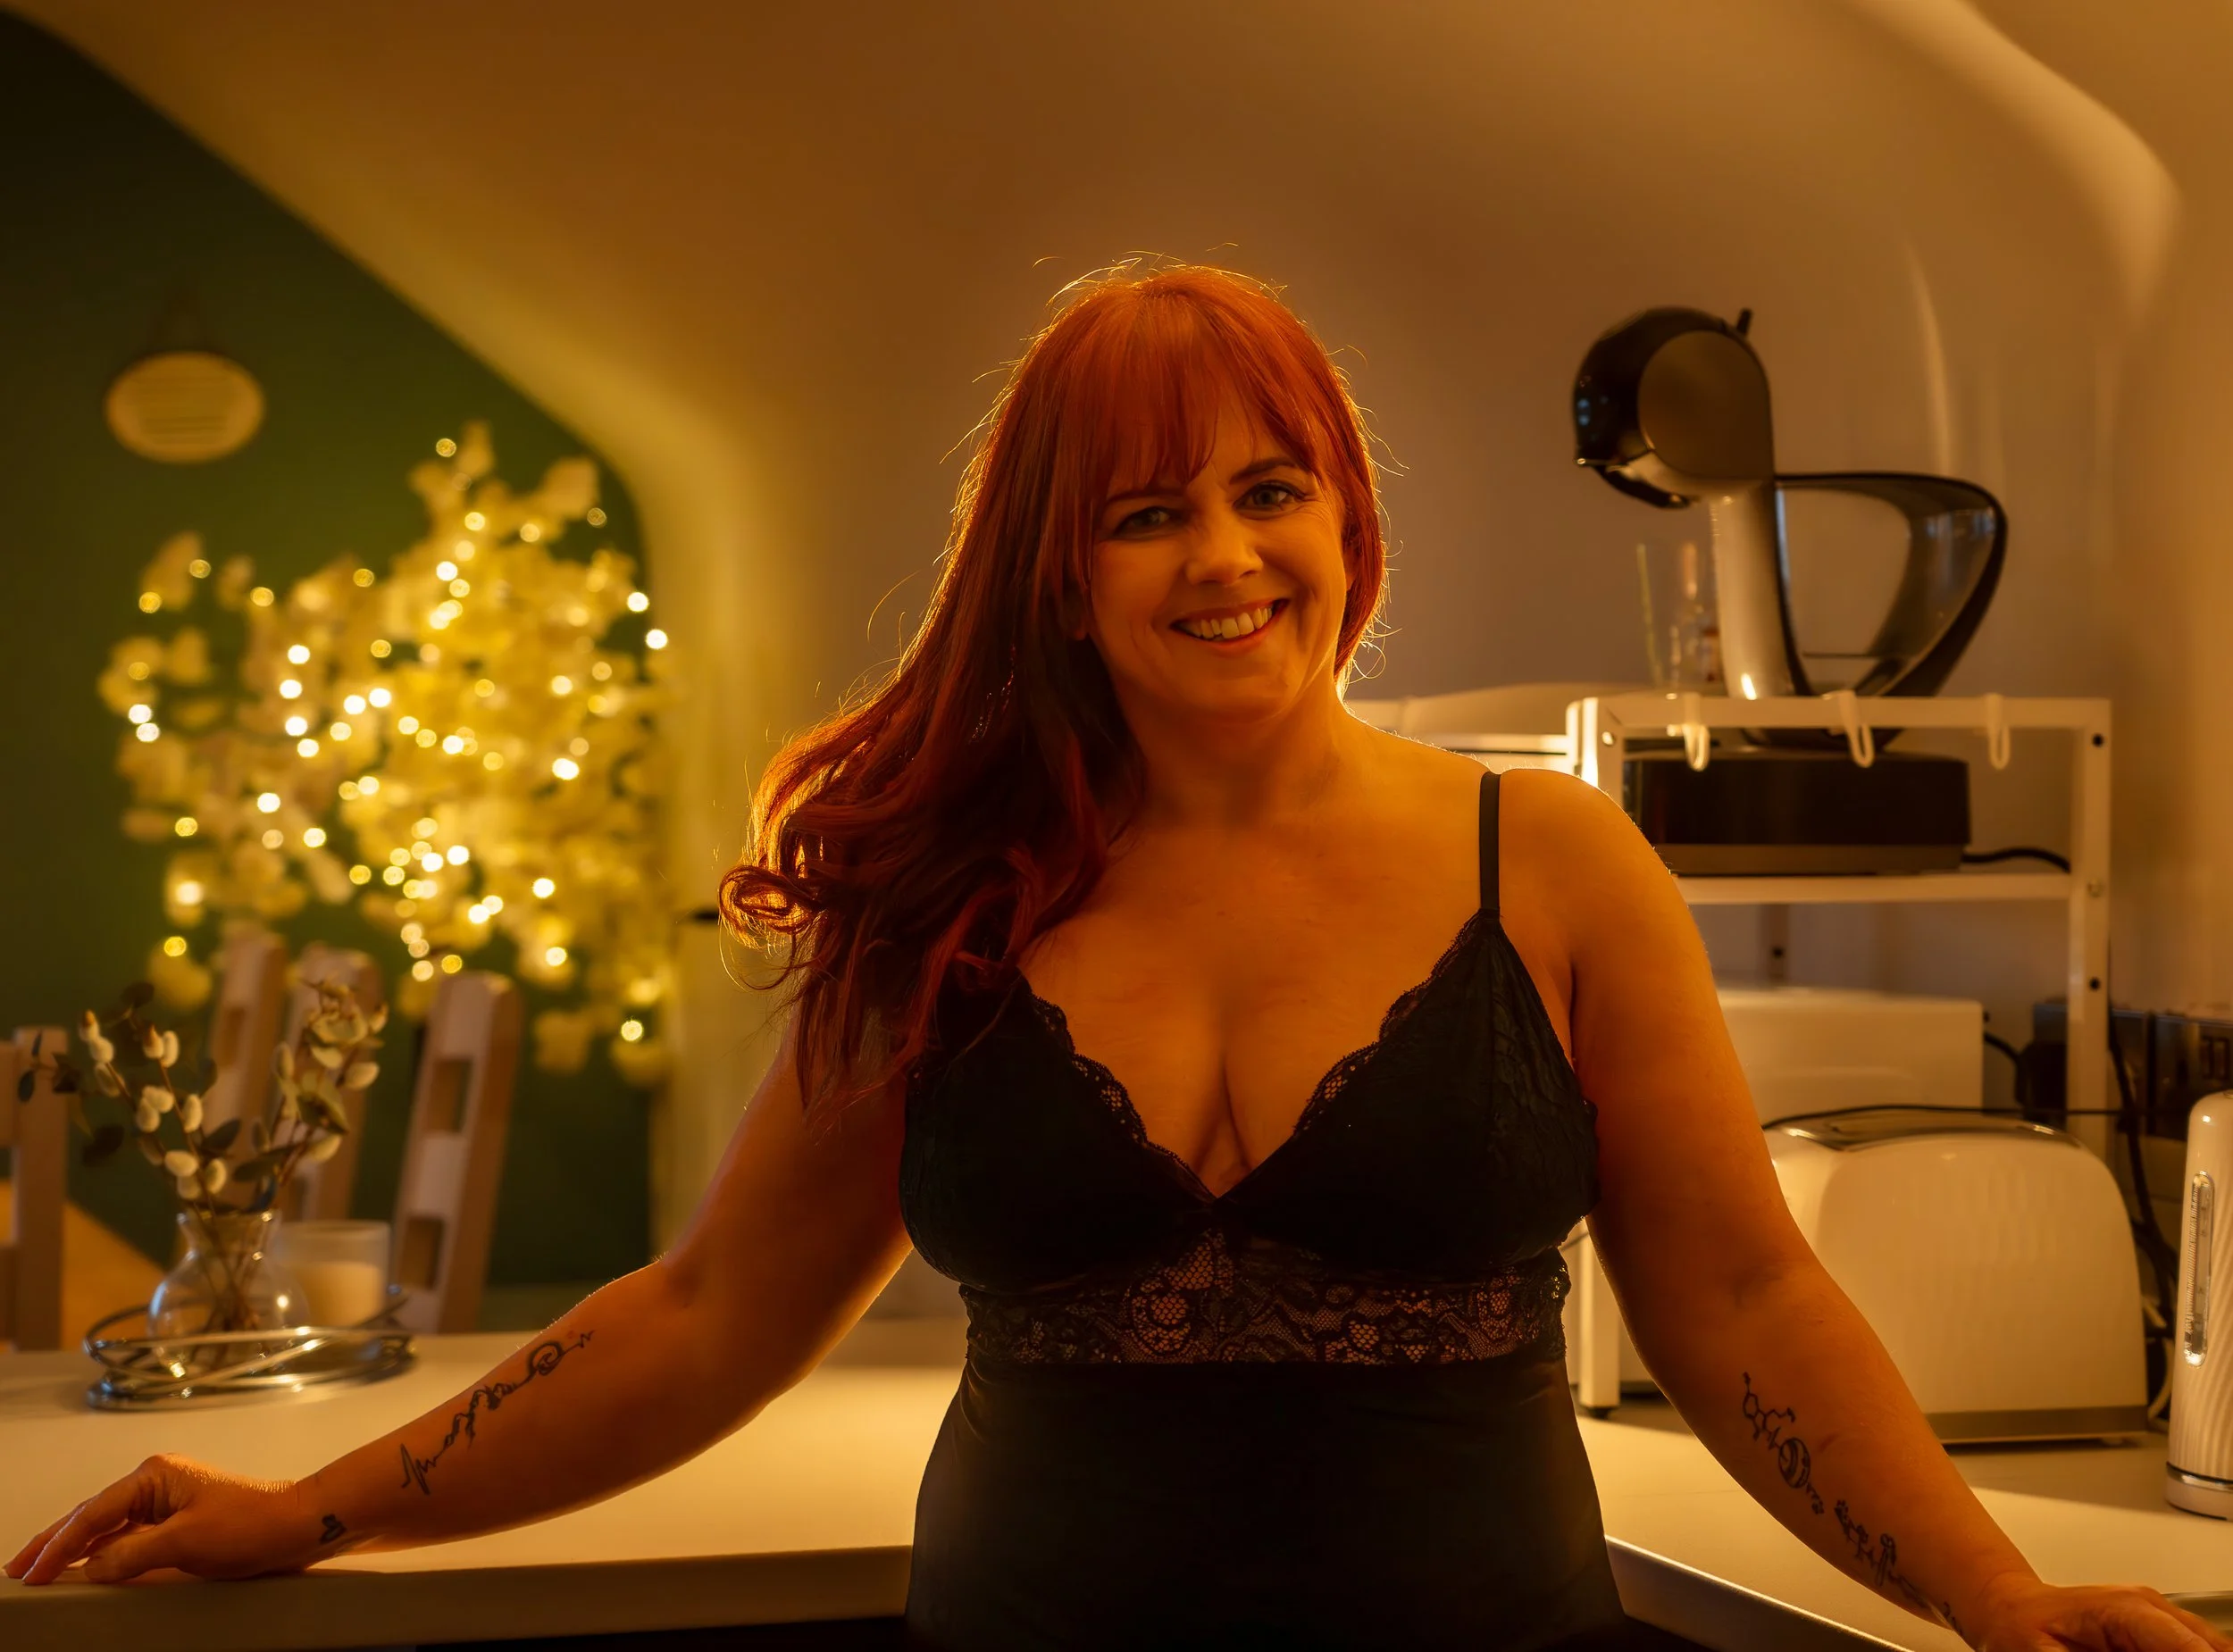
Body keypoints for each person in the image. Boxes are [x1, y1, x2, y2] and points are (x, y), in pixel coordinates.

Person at [8, 264, 2225, 1652]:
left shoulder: (1545, 860)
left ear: (1347, 515)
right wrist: (302, 1512)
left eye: (1269, 488)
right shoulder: (949, 894)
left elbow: (1744, 1299)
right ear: (1056, 577)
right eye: (1143, 511)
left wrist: (1997, 1597)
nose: (1223, 556)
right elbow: (700, 1319)